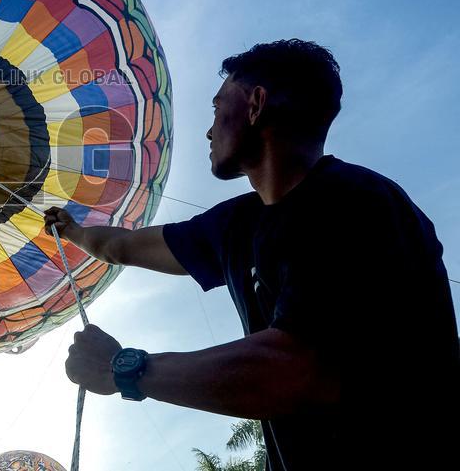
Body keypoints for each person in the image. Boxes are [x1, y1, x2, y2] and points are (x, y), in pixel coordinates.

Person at [47, 39, 458, 469]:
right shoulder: (236, 225)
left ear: (256, 104)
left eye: (216, 106)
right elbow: (121, 247)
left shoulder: (358, 202)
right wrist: (71, 230)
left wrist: (125, 369)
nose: (208, 131)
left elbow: (293, 370)